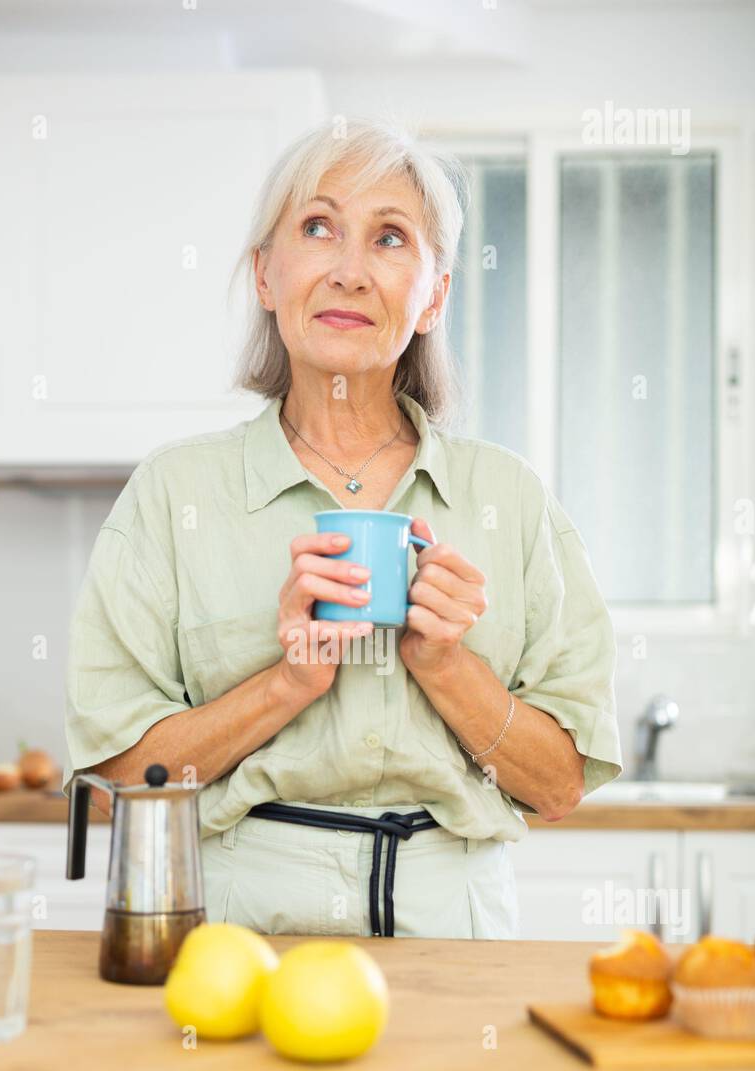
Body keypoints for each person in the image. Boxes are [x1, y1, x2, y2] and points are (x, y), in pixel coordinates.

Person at [63, 117, 622, 939]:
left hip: (457, 927)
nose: (351, 272)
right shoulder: (172, 493)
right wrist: (286, 684)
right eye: (318, 228)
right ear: (265, 274)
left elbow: (559, 788)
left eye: (390, 238)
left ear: (433, 295)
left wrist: (445, 665)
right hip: (240, 924)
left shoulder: (513, 497)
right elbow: (122, 777)